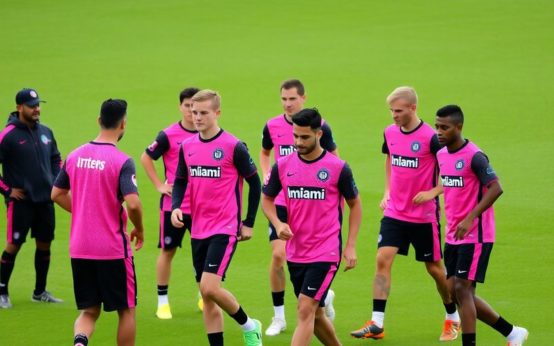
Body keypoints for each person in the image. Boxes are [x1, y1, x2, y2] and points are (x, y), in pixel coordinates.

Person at [351, 86, 459, 341]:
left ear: (412, 108)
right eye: (391, 110)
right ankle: (377, 323)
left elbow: (452, 172)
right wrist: (387, 191)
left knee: (434, 268)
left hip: (423, 217)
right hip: (395, 213)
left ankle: (452, 316)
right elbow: (390, 159)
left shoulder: (433, 138)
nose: (393, 115)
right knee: (382, 259)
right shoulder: (390, 133)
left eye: (398, 110)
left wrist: (433, 192)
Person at [262, 108, 362, 346]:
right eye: (295, 136)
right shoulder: (283, 165)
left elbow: (355, 204)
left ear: (319, 134)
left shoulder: (337, 168)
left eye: (304, 137)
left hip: (325, 251)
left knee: (305, 309)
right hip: (296, 250)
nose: (298, 142)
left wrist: (350, 245)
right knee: (315, 313)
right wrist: (277, 223)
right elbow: (267, 199)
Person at [170, 89, 263, 346]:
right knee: (206, 294)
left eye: (203, 113)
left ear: (217, 113)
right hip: (197, 228)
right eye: (193, 111)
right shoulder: (186, 147)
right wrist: (176, 206)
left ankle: (250, 326)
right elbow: (179, 181)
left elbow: (256, 185)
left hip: (224, 227)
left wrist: (249, 222)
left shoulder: (234, 146)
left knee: (210, 287)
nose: (197, 117)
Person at [51, 99, 144, 346]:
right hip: (112, 249)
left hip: (80, 248)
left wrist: (83, 211)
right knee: (126, 311)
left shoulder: (74, 155)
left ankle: (80, 343)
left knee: (89, 311)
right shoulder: (122, 161)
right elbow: (133, 204)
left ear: (99, 121)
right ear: (123, 124)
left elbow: (56, 194)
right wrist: (140, 229)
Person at [435, 104, 528, 346]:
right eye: (437, 126)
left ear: (459, 127)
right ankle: (512, 333)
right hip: (453, 234)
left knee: (463, 290)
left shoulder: (475, 156)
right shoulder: (442, 155)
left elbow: (496, 188)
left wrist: (470, 217)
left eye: (444, 127)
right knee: (454, 291)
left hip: (476, 235)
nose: (439, 132)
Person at [260, 79, 338, 336]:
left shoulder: (319, 127)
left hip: (308, 201)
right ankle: (279, 316)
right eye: (283, 98)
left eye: (292, 99)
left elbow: (333, 158)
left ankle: (322, 297)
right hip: (282, 201)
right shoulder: (272, 125)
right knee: (278, 256)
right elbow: (265, 152)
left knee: (308, 290)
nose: (287, 103)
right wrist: (267, 175)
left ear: (303, 98)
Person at [140, 87, 202, 319]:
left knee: (202, 253)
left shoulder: (205, 133)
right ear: (180, 107)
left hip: (200, 206)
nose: (191, 111)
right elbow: (146, 157)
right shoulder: (168, 135)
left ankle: (204, 296)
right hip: (173, 206)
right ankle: (163, 302)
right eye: (187, 106)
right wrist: (158, 184)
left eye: (194, 107)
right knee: (168, 251)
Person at [0, 88, 63, 308]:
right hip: (20, 203)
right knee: (14, 244)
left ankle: (40, 291)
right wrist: (7, 191)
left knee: (45, 245)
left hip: (45, 200)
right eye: (31, 106)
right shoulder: (7, 135)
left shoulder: (46, 131)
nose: (36, 109)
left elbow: (57, 158)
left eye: (38, 105)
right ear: (19, 108)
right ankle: (2, 291)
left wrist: (56, 181)